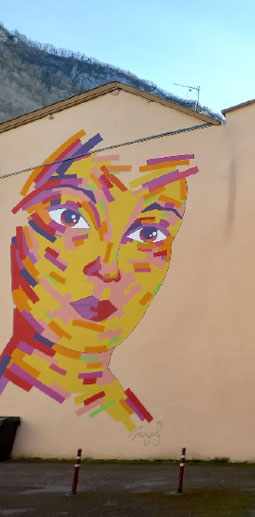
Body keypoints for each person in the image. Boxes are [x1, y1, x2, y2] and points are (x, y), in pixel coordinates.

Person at [0, 131, 197, 431]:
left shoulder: (137, 426)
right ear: (17, 233)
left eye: (147, 235)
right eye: (69, 217)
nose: (107, 268)